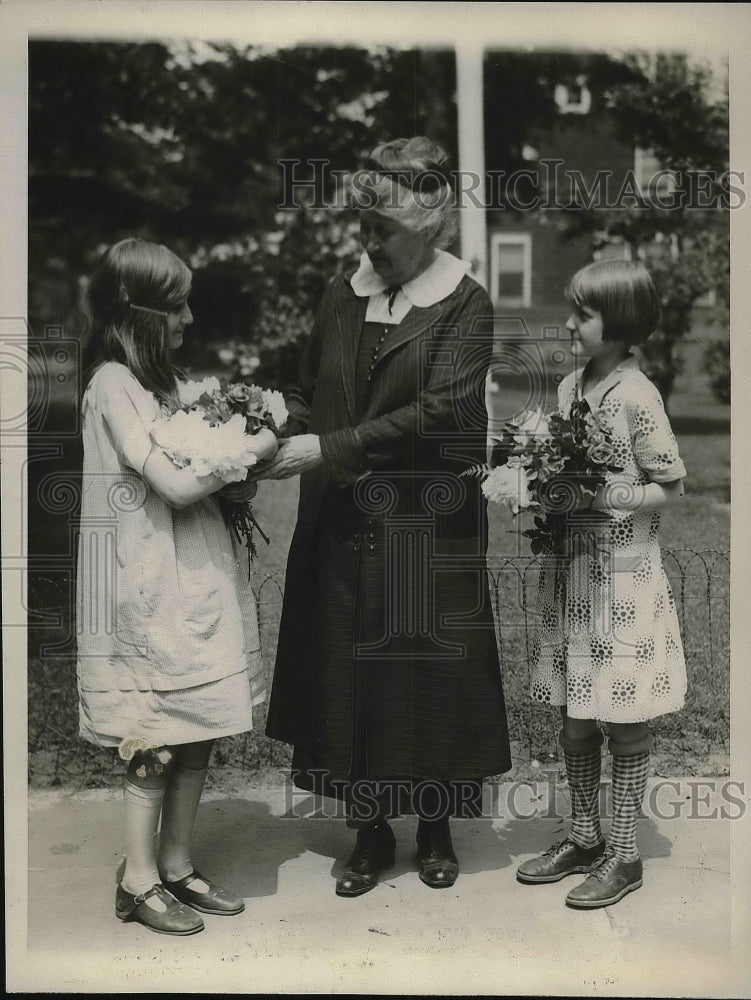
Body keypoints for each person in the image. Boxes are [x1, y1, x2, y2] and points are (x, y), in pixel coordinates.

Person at [260, 137, 511, 896]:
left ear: (430, 224)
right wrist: (266, 420)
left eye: (382, 229)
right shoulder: (344, 293)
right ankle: (368, 829)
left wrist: (327, 446)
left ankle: (433, 826)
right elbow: (309, 386)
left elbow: (443, 413)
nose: (367, 241)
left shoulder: (465, 302)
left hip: (423, 523)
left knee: (423, 674)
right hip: (342, 520)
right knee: (351, 671)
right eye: (362, 225)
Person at [76, 238, 276, 935]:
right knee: (153, 735)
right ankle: (137, 878)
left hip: (188, 572)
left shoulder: (158, 385)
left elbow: (193, 464)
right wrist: (255, 447)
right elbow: (171, 483)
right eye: (177, 306)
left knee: (197, 731)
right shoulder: (112, 385)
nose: (190, 318)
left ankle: (178, 863)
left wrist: (232, 438)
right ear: (138, 314)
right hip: (144, 579)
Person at [516, 259, 687, 908]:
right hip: (572, 578)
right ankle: (583, 834)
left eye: (582, 315)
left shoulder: (636, 397)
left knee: (621, 718)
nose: (568, 323)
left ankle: (624, 853)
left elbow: (670, 487)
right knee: (575, 712)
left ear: (617, 325)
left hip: (621, 580)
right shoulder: (567, 390)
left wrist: (601, 493)